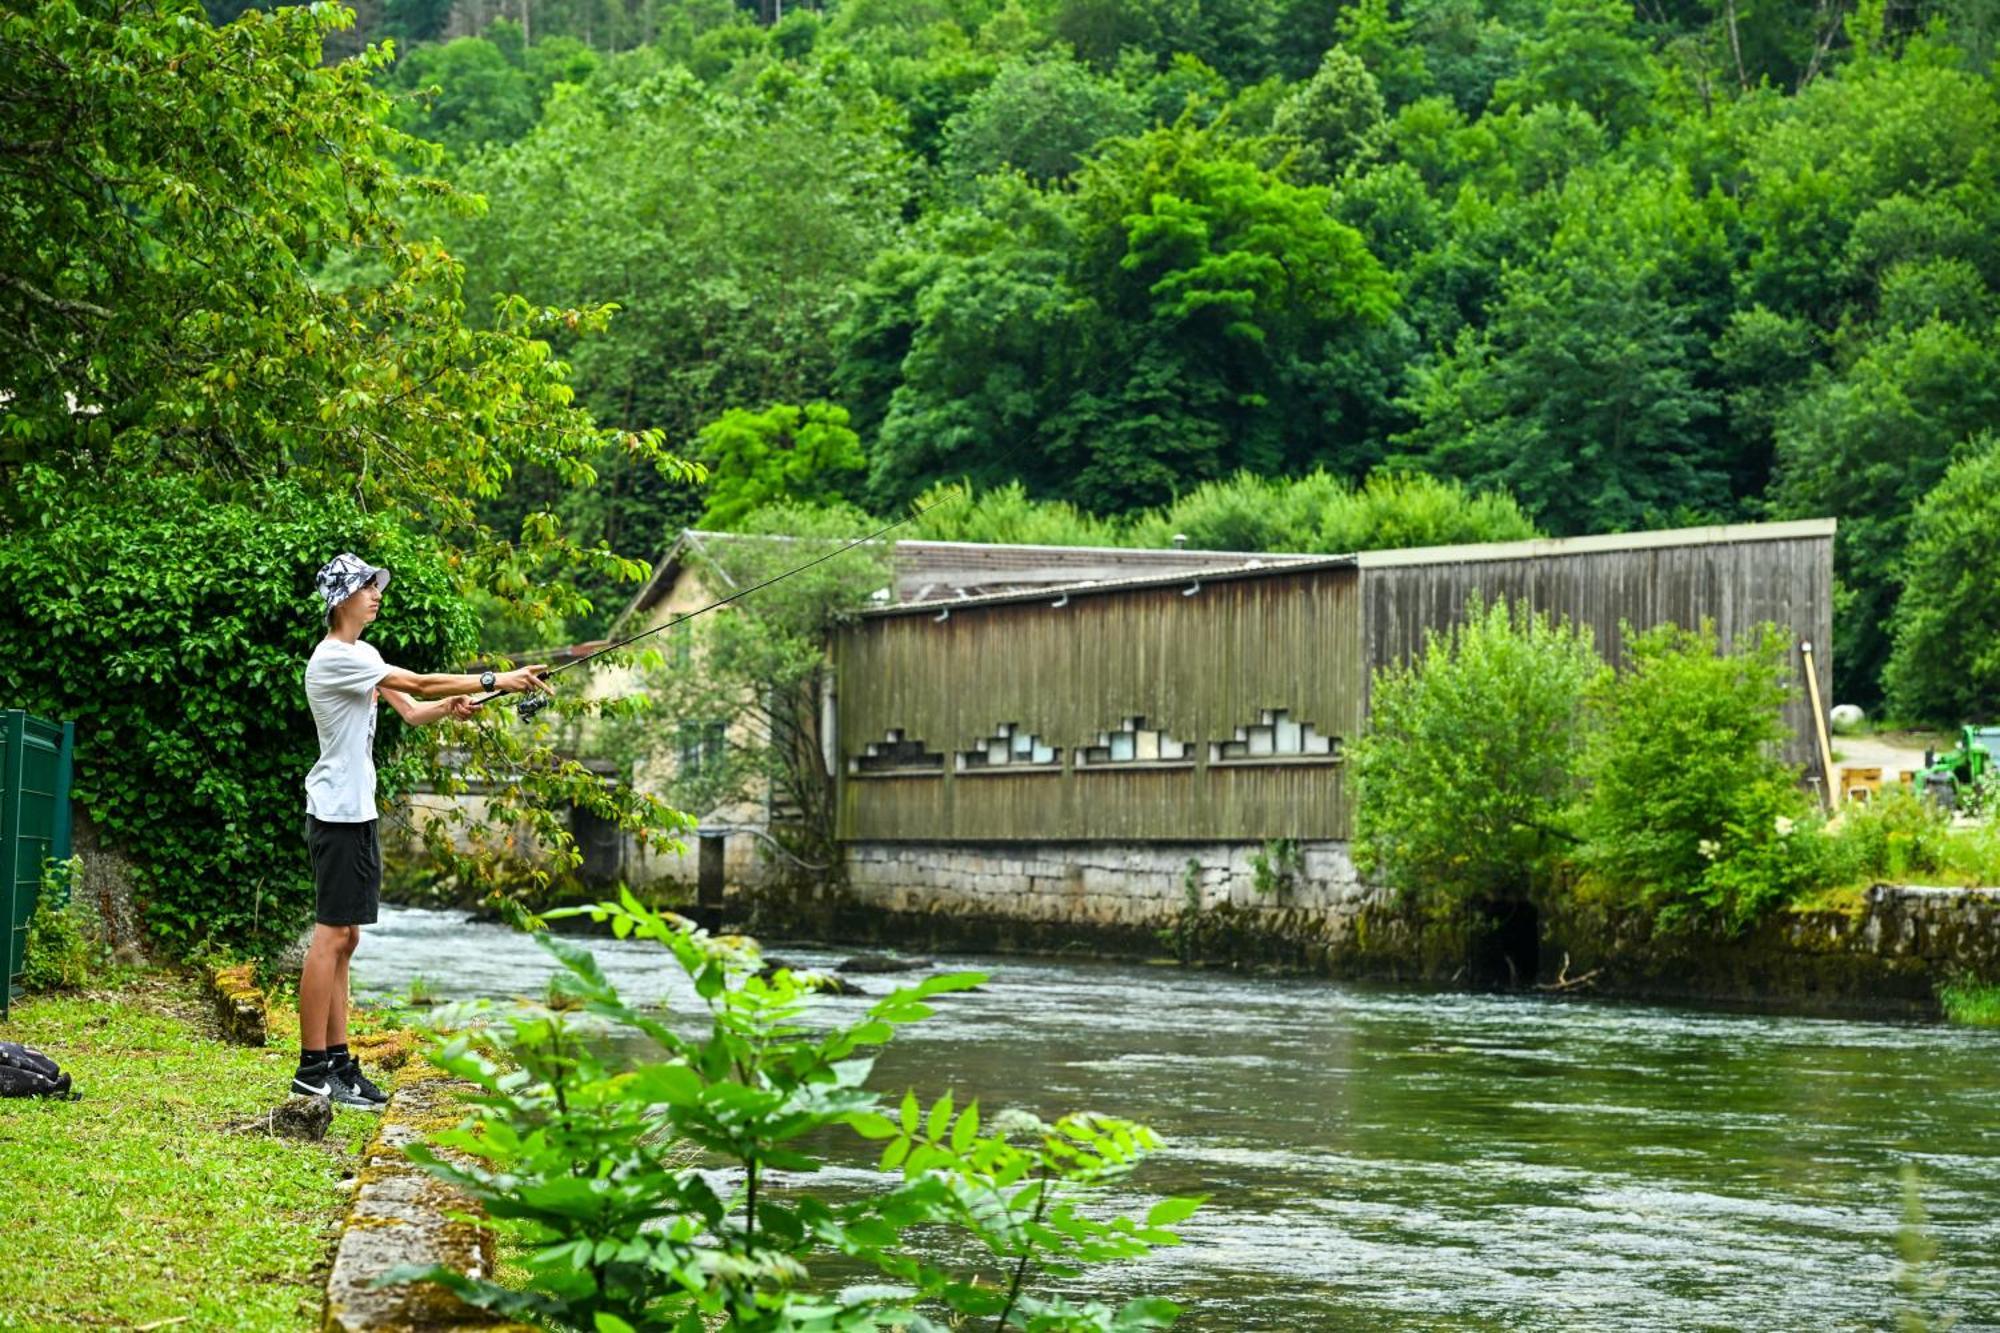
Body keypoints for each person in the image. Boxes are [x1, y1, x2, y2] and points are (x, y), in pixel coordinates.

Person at [296, 552, 551, 1109]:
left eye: (375, 586)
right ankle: (310, 1069)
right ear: (341, 599)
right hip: (336, 811)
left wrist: (456, 706)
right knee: (330, 936)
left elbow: (411, 707)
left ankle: (339, 1063)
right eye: (366, 587)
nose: (376, 594)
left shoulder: (363, 654)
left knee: (349, 937)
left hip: (355, 810)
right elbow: (417, 680)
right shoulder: (334, 657)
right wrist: (495, 677)